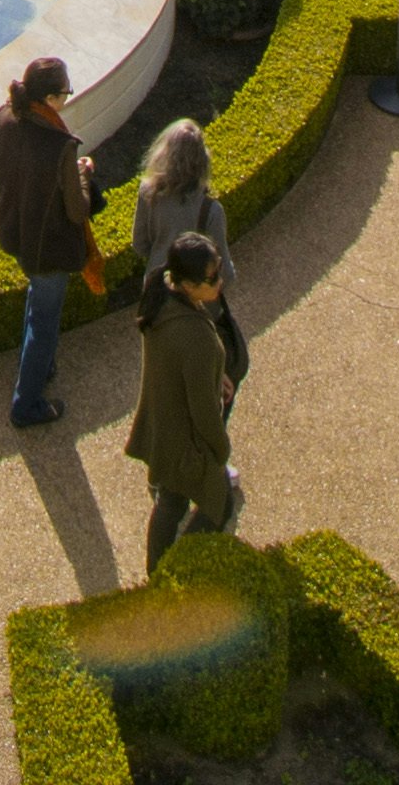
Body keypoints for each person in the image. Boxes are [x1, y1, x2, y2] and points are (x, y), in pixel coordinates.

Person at [0, 54, 97, 427]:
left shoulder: (3, 118)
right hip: (48, 245)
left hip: (14, 231)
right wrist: (83, 175)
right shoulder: (59, 145)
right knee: (44, 321)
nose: (67, 97)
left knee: (38, 304)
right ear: (50, 99)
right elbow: (78, 211)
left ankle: (39, 366)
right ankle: (27, 404)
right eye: (65, 92)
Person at [127, 234, 240, 568]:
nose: (220, 281)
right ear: (189, 285)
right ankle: (177, 569)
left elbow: (177, 360)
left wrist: (214, 372)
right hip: (188, 442)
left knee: (170, 502)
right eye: (213, 277)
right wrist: (221, 449)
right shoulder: (197, 339)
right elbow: (204, 413)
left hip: (164, 427)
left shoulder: (160, 297)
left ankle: (157, 571)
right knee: (220, 506)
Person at [122, 116, 246, 392]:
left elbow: (140, 245)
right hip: (198, 306)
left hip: (156, 296)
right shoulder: (211, 211)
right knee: (202, 378)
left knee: (161, 374)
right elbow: (225, 274)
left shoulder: (148, 192)